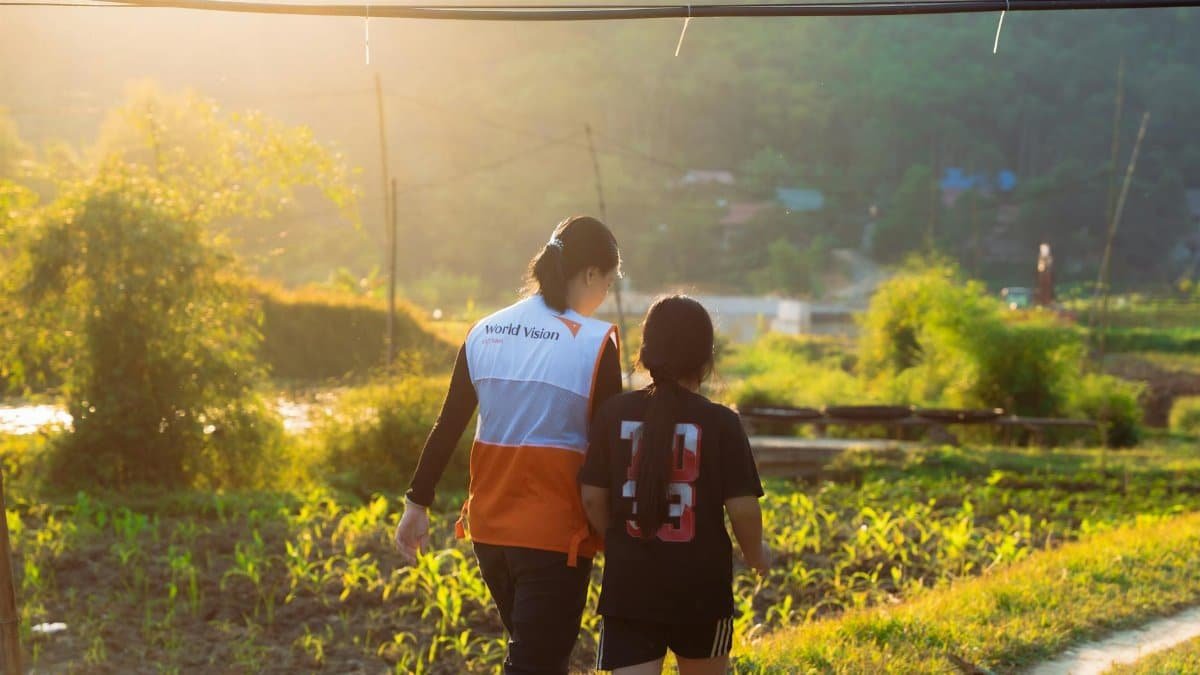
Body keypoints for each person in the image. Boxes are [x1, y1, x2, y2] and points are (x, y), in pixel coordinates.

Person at [393, 215, 623, 675]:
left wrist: (416, 504)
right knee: (536, 663)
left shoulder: (485, 331)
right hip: (555, 538)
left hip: (491, 533)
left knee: (542, 657)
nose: (606, 294)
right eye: (610, 282)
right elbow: (612, 451)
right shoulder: (595, 344)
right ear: (591, 274)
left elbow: (449, 424)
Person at [580, 295, 767, 675]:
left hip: (629, 587)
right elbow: (743, 507)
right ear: (705, 358)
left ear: (647, 351)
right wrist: (755, 553)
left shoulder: (613, 413)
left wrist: (616, 539)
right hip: (701, 589)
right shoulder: (721, 423)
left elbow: (592, 496)